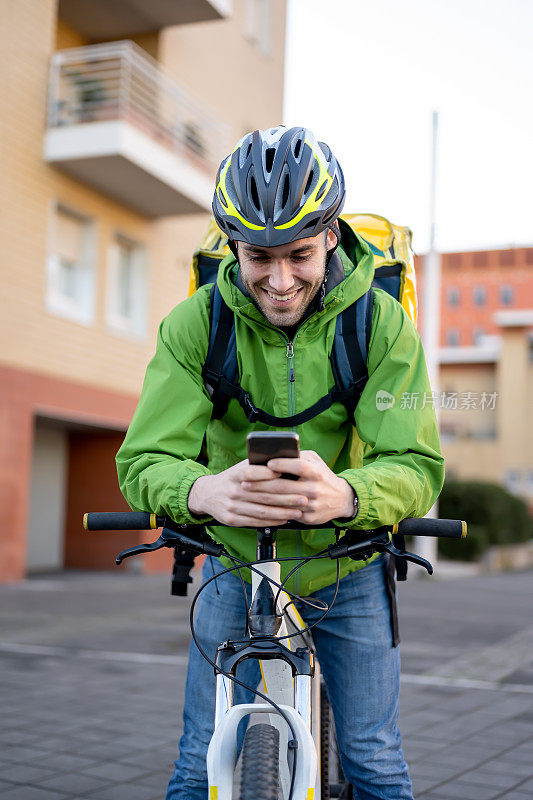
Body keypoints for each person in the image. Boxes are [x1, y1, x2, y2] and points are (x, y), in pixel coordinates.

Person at [116, 125, 444, 800]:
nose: (279, 280)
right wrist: (202, 490)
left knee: (373, 763)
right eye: (258, 257)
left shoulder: (382, 326)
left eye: (298, 254)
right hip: (234, 565)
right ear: (232, 244)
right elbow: (145, 457)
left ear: (329, 236)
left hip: (347, 567)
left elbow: (413, 461)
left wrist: (349, 496)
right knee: (194, 765)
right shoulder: (195, 325)